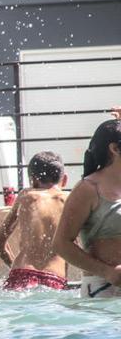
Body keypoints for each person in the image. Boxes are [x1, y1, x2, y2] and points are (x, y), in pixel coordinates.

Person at [55, 119, 121, 299]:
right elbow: (61, 244)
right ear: (114, 149)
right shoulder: (88, 189)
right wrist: (107, 271)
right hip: (104, 288)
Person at [0, 152, 69, 290]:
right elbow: (74, 246)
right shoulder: (68, 201)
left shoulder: (26, 196)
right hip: (54, 279)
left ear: (33, 180)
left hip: (21, 275)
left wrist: (16, 270)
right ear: (64, 180)